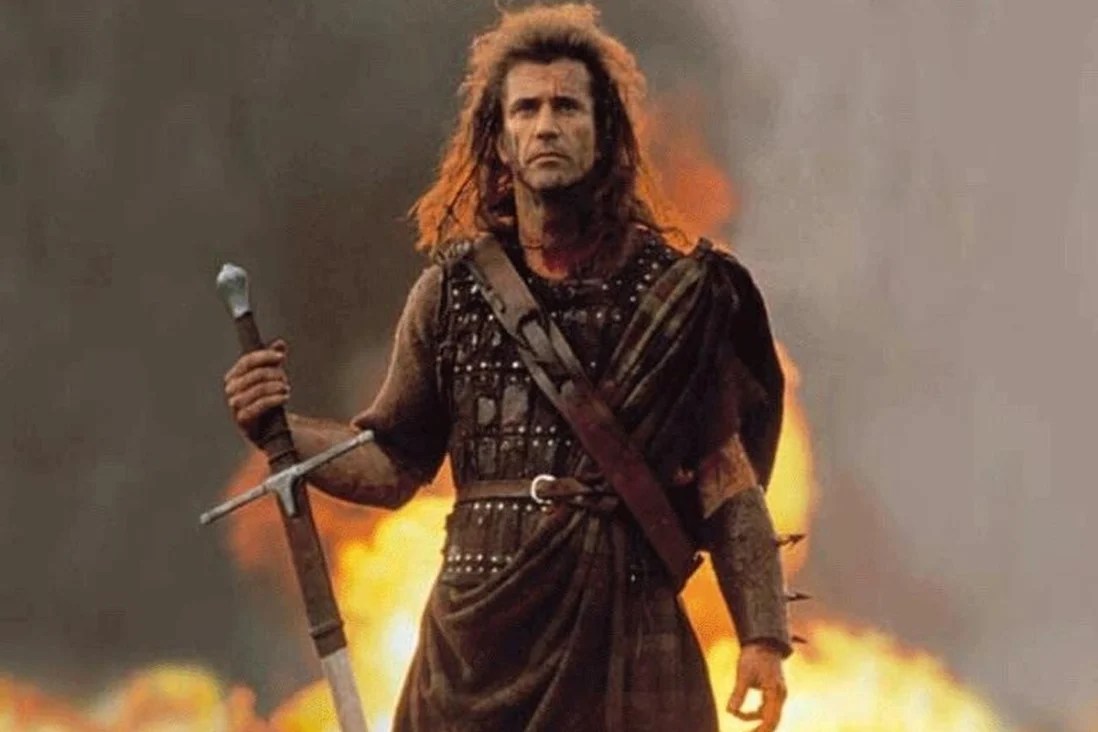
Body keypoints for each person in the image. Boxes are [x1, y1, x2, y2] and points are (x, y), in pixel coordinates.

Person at [224, 5, 792, 731]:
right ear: (499, 137)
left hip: (628, 632)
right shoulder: (450, 295)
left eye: (567, 107)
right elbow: (393, 463)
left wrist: (762, 638)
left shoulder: (680, 296)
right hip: (476, 648)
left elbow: (726, 481)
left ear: (605, 131)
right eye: (526, 108)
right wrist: (279, 430)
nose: (546, 125)